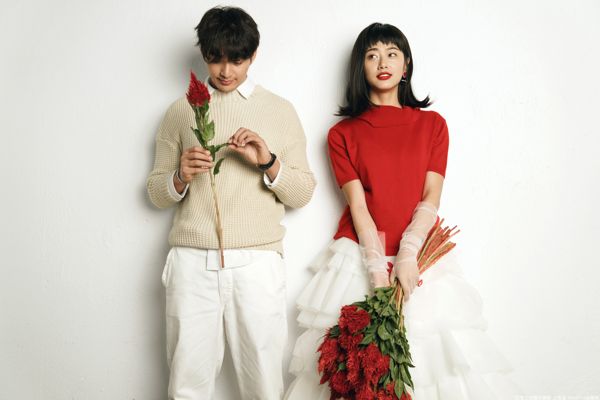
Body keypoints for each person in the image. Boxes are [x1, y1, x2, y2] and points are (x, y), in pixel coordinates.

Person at [285, 23, 520, 399]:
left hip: (422, 253)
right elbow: (358, 205)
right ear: (360, 67)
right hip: (361, 255)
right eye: (372, 55)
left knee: (434, 365)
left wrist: (409, 251)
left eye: (392, 54)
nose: (383, 62)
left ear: (406, 64)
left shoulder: (432, 125)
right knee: (354, 372)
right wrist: (377, 269)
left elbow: (431, 195)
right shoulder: (342, 134)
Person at [146, 6, 316, 400]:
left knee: (264, 386)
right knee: (186, 384)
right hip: (192, 261)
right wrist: (179, 177)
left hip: (257, 262)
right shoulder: (180, 111)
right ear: (203, 54)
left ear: (253, 55)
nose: (225, 71)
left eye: (236, 60)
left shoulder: (279, 110)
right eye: (215, 58)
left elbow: (303, 193)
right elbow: (155, 192)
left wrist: (268, 162)